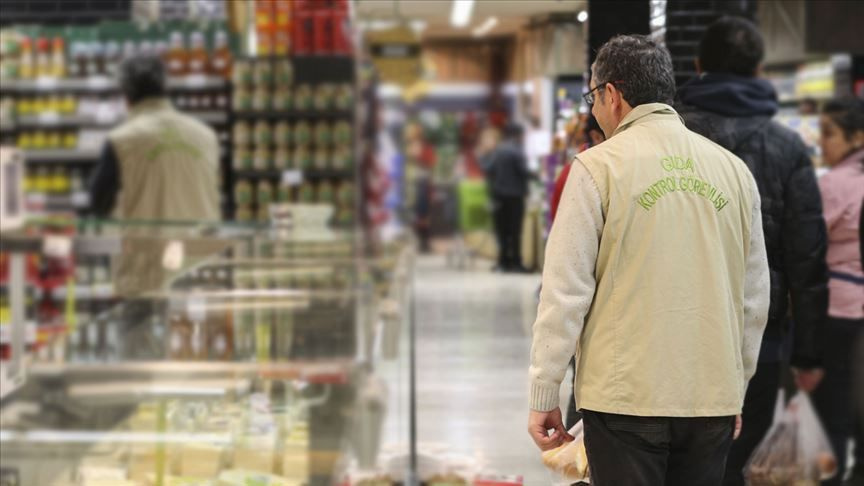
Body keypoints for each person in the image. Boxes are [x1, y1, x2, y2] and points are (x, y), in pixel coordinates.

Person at [527, 34, 770, 485]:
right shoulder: (734, 172)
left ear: (612, 95)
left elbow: (565, 292)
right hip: (710, 396)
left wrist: (545, 391)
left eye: (593, 98)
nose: (593, 112)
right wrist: (736, 387)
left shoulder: (597, 168)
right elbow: (753, 299)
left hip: (624, 399)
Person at [675, 17, 830, 485]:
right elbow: (807, 258)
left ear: (699, 66)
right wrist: (808, 354)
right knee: (736, 463)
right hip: (757, 338)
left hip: (672, 327)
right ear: (760, 71)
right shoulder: (788, 148)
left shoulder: (670, 135)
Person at [89, 55, 220, 221]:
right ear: (166, 88)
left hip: (149, 245)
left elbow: (99, 204)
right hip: (204, 245)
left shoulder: (120, 141)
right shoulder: (207, 136)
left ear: (126, 95)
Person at [813, 98, 864, 486]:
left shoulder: (835, 184)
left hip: (838, 309)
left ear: (856, 137)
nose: (821, 140)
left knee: (833, 405)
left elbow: (811, 243)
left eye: (829, 132)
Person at [481, 122, 531, 272]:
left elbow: (488, 168)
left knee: (502, 231)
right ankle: (516, 263)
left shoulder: (498, 150)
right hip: (515, 196)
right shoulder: (517, 151)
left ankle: (503, 262)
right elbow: (524, 171)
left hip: (499, 195)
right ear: (518, 135)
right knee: (515, 231)